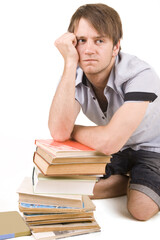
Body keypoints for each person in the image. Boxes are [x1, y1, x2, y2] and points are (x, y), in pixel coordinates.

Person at [48, 3, 160, 221]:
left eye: (100, 40)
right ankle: (129, 178)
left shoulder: (140, 74)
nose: (89, 49)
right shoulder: (76, 75)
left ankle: (137, 180)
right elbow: (58, 131)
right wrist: (69, 62)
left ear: (116, 47)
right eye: (81, 41)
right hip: (120, 150)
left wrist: (74, 130)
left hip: (153, 148)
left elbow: (109, 142)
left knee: (141, 209)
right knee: (63, 186)